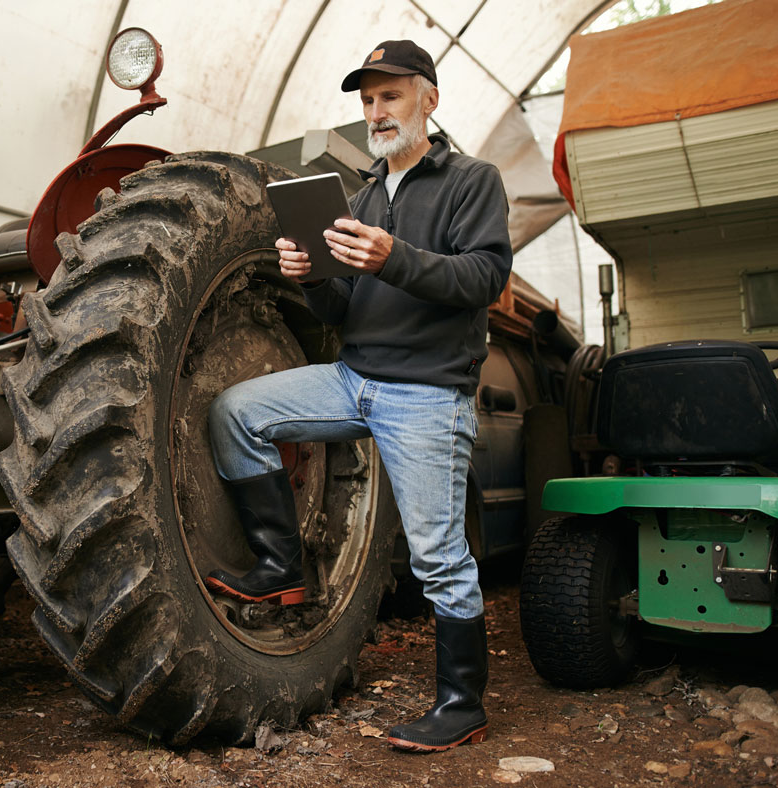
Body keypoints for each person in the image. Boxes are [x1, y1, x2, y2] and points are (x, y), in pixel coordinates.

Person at [202, 39, 512, 753]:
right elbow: (341, 311)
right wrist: (310, 275)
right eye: (368, 100)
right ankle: (280, 567)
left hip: (426, 392)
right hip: (354, 380)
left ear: (429, 99)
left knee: (438, 557)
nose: (377, 111)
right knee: (237, 413)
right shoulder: (363, 197)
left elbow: (483, 279)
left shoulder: (472, 180)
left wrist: (392, 256)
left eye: (390, 95)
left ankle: (462, 703)